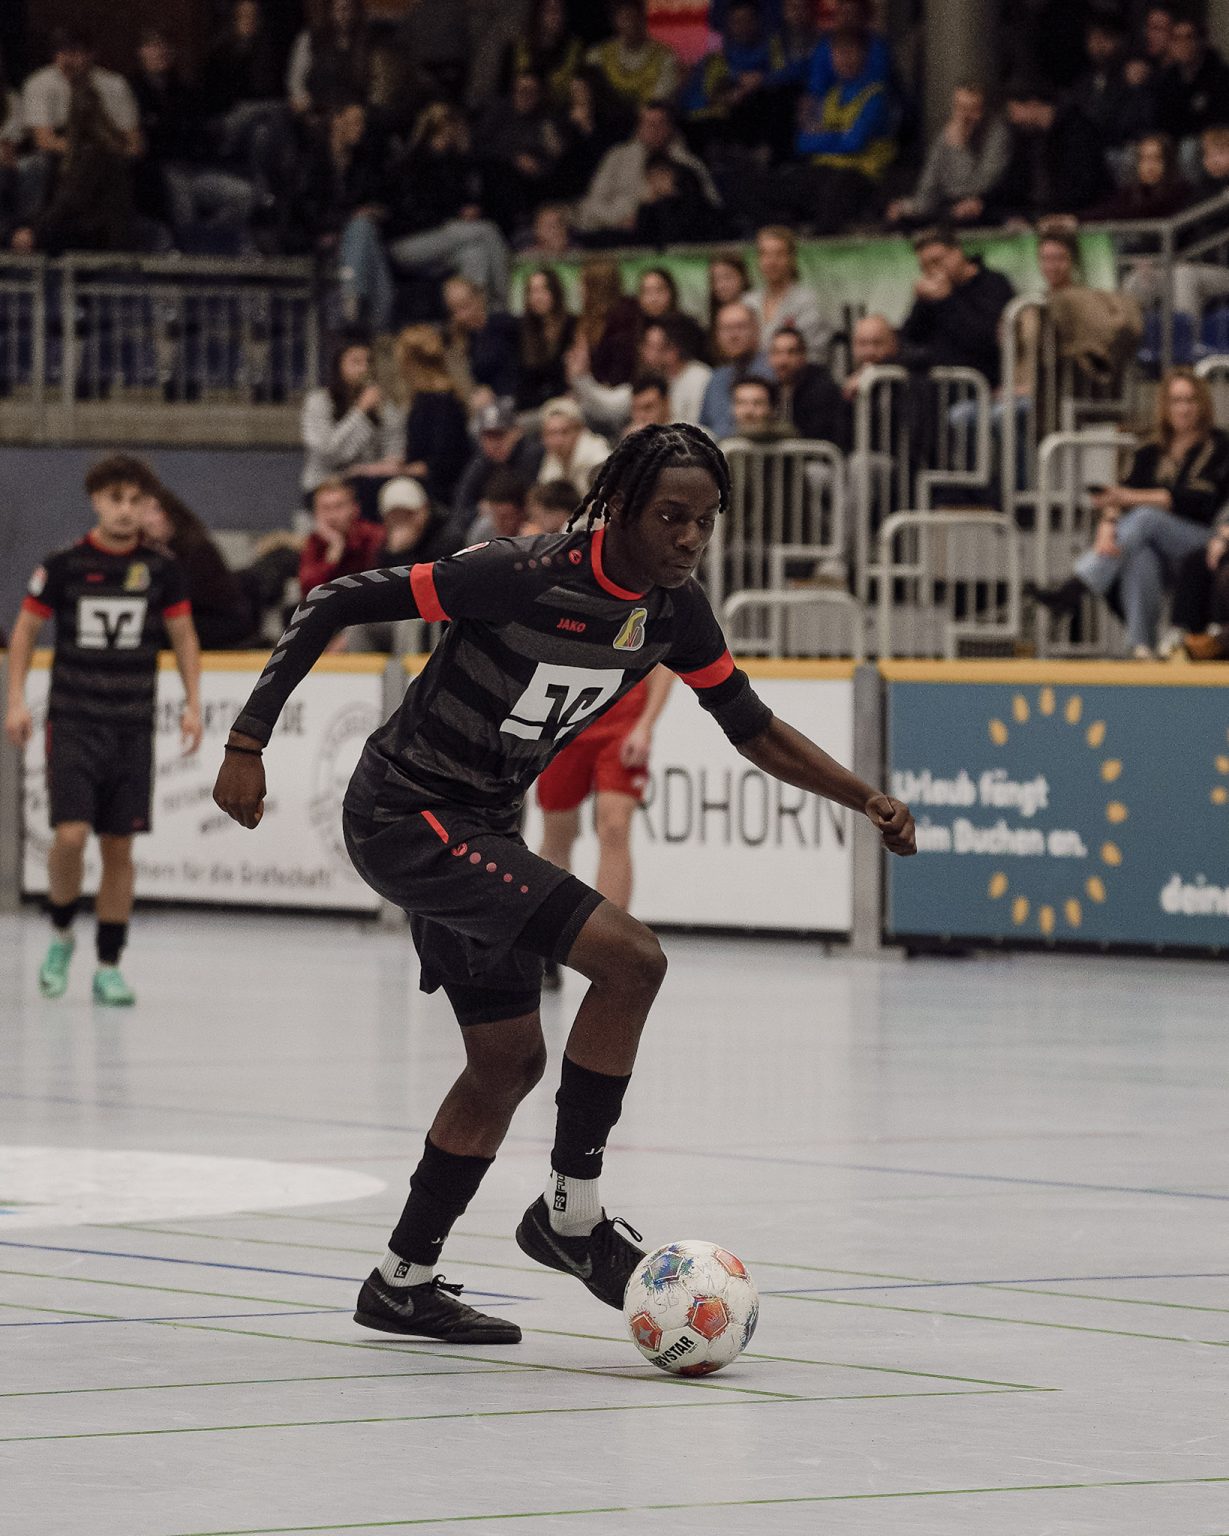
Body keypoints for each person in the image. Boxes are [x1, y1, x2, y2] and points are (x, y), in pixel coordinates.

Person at [211, 422, 915, 1343]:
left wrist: (863, 796)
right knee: (632, 960)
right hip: (405, 812)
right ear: (619, 506)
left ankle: (400, 1281)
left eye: (705, 521)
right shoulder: (519, 572)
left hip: (481, 825)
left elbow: (750, 726)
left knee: (506, 1063)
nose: (690, 539)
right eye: (671, 517)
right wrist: (247, 740)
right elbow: (335, 598)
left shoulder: (674, 612)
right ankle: (571, 1216)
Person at [6, 454, 202, 1007]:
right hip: (74, 722)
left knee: (119, 847)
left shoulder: (161, 569)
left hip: (132, 726)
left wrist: (193, 703)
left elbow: (183, 636)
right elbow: (25, 632)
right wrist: (15, 698)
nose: (125, 510)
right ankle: (61, 930)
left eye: (135, 500)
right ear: (96, 501)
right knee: (70, 836)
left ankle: (109, 966)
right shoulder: (63, 565)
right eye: (115, 499)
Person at [1031, 369, 1229, 658]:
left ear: (1203, 404)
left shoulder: (1219, 446)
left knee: (1147, 518)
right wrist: (1108, 524)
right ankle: (1141, 648)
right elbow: (1120, 493)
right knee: (1140, 556)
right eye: (1176, 400)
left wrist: (1126, 498)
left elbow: (1196, 500)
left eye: (1190, 400)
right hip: (1151, 542)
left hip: (1203, 540)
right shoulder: (1150, 449)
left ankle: (1077, 586)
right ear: (1165, 405)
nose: (1184, 408)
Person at [537, 662, 674, 989]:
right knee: (558, 833)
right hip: (564, 715)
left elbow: (665, 663)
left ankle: (611, 948)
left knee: (614, 826)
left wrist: (646, 724)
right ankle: (548, 945)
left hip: (623, 716)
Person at [573, 99, 719, 243]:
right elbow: (592, 204)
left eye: (660, 123)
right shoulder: (617, 158)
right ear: (639, 126)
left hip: (676, 239)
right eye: (648, 123)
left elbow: (711, 205)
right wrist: (619, 219)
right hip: (618, 237)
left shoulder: (689, 164)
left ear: (670, 126)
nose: (654, 130)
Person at [141, 483, 256, 649]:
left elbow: (181, 597)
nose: (148, 519)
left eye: (155, 510)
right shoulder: (151, 552)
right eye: (143, 511)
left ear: (171, 513)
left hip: (220, 623)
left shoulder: (195, 548)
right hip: (198, 618)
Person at [899, 228, 1015, 387]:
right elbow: (910, 338)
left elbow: (985, 339)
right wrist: (921, 302)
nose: (932, 270)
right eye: (924, 267)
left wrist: (947, 299)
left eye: (937, 261)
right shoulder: (931, 295)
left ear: (957, 252)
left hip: (982, 385)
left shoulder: (993, 284)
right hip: (939, 388)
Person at [885, 83, 1010, 229]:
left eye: (972, 109)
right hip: (947, 207)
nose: (964, 116)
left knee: (964, 215)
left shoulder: (997, 135)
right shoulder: (947, 135)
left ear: (983, 111)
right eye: (960, 108)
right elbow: (928, 187)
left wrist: (959, 148)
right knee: (899, 218)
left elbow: (979, 186)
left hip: (988, 206)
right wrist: (907, 207)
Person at [300, 335, 405, 505]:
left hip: (369, 486)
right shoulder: (318, 402)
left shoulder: (383, 406)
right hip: (324, 486)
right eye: (356, 362)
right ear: (339, 366)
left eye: (369, 362)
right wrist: (360, 411)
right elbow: (328, 453)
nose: (364, 369)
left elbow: (395, 452)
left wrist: (367, 470)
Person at [570, 315, 712, 434]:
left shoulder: (700, 377)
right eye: (646, 345)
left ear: (673, 351)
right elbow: (609, 407)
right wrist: (581, 377)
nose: (645, 352)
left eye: (653, 346)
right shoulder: (651, 377)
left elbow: (702, 431)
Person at [396, 325, 471, 509]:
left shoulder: (443, 402)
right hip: (423, 480)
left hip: (439, 491)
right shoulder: (423, 398)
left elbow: (442, 462)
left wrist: (402, 471)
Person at [450, 400, 546, 540]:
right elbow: (461, 504)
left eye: (500, 435)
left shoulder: (532, 455)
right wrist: (479, 510)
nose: (494, 444)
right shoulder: (481, 461)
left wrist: (494, 507)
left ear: (516, 432)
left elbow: (533, 500)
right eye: (488, 437)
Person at [745, 225, 829, 362]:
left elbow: (814, 354)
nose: (771, 261)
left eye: (779, 254)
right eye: (765, 254)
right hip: (751, 373)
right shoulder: (748, 301)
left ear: (792, 259)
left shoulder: (807, 302)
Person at [700, 300, 775, 441]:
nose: (733, 336)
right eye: (726, 329)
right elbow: (704, 429)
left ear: (756, 330)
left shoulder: (775, 371)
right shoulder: (716, 378)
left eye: (740, 327)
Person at [299, 477, 387, 596]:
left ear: (355, 509)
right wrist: (335, 550)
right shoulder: (316, 541)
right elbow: (308, 590)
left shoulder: (373, 535)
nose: (332, 516)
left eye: (338, 507)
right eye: (325, 508)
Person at [442, 276, 521, 409]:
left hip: (518, 399)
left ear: (479, 298)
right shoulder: (458, 343)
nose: (463, 315)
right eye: (455, 311)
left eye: (466, 306)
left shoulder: (504, 324)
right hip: (486, 408)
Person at [587, 0, 681, 110]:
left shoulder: (665, 58)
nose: (630, 24)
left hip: (648, 118)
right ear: (614, 21)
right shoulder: (597, 56)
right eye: (624, 18)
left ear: (642, 18)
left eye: (634, 17)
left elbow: (658, 103)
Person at [769, 325, 850, 446]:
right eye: (777, 352)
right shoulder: (771, 390)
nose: (783, 360)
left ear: (803, 356)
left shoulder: (822, 391)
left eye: (791, 352)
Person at [516, 267, 577, 412]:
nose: (537, 297)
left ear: (555, 292)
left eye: (543, 290)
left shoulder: (573, 326)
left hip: (566, 403)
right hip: (533, 407)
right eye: (532, 291)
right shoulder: (522, 330)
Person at [538, 396, 610, 492]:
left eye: (564, 432)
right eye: (551, 434)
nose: (558, 440)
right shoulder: (552, 457)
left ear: (579, 431)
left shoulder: (598, 456)